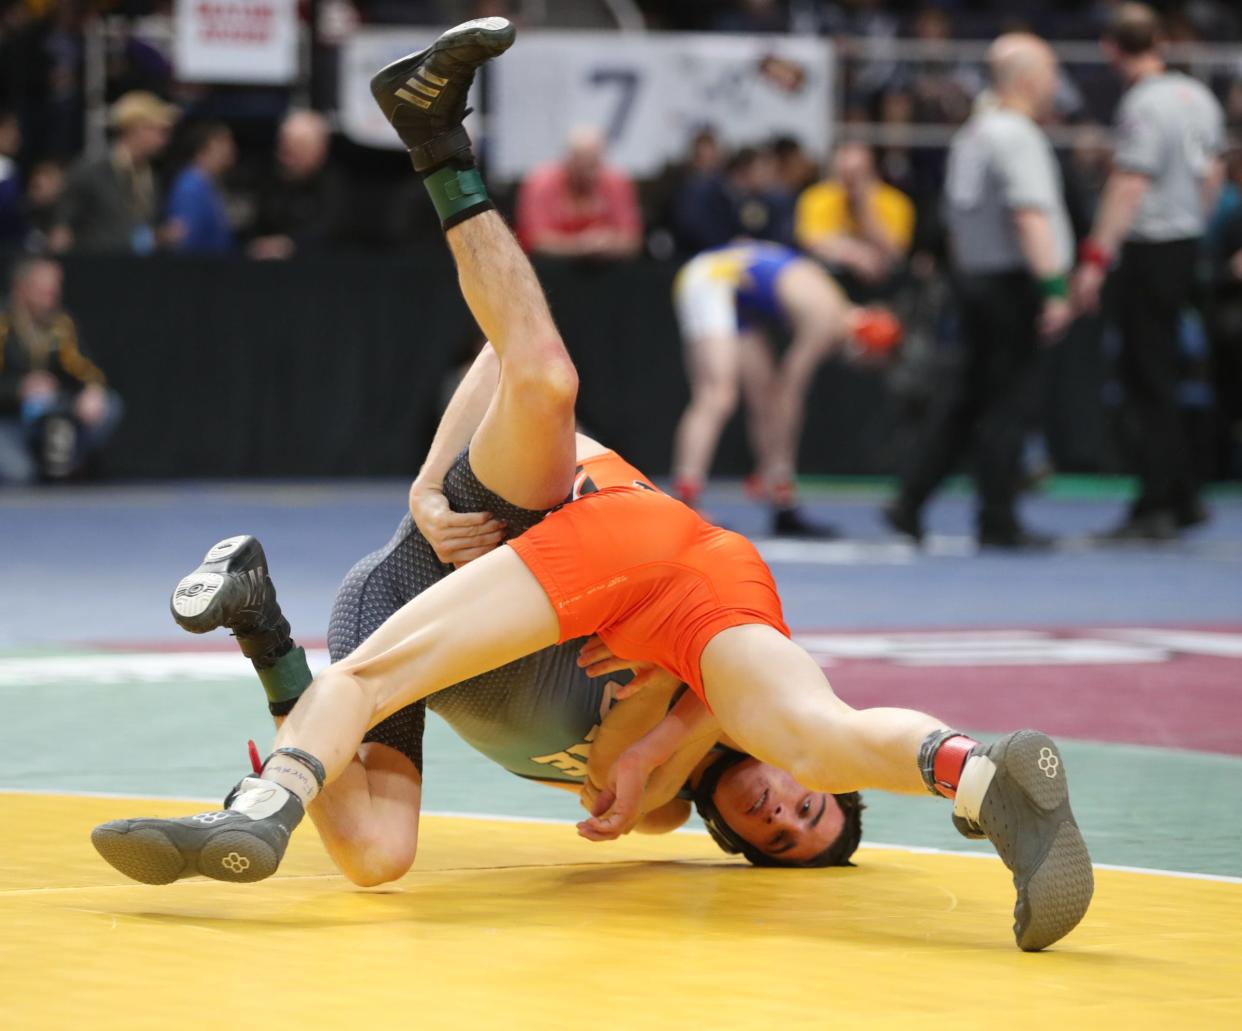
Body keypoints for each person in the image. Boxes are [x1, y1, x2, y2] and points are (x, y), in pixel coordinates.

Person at [91, 19, 1093, 953]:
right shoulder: (667, 758)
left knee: (815, 737)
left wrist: (650, 754)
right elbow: (516, 374)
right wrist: (428, 486)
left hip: (680, 590)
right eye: (807, 807)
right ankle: (439, 144)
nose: (782, 809)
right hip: (586, 545)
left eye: (780, 832)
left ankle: (980, 769)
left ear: (733, 845)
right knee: (535, 396)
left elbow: (725, 742)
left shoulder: (659, 799)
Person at [883, 34, 1073, 551]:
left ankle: (911, 499)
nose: (1056, 86)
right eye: (1052, 75)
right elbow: (1030, 214)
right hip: (1010, 283)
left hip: (975, 279)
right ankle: (998, 519)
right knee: (1007, 404)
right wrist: (1055, 288)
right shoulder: (1015, 135)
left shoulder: (974, 133)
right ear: (1030, 80)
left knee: (966, 399)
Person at [1070, 3, 1226, 540]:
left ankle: (1156, 506)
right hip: (1183, 243)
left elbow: (1129, 184)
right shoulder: (1198, 95)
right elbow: (1216, 173)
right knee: (1163, 373)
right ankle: (1182, 497)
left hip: (1148, 247)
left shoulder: (1142, 102)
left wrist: (1096, 258)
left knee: (1145, 379)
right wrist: (1193, 224)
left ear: (1112, 48)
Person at [671, 240, 901, 538]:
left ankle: (781, 501)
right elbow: (791, 389)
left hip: (735, 291)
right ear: (863, 350)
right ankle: (686, 499)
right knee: (718, 396)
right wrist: (776, 463)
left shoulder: (834, 306)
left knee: (765, 398)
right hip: (712, 280)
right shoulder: (827, 321)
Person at [0, 256, 122, 484]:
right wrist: (19, 388)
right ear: (21, 289)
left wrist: (92, 389)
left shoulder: (60, 324)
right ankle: (38, 466)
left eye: (55, 290)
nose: (52, 297)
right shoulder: (3, 323)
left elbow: (86, 369)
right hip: (9, 421)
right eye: (44, 291)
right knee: (19, 474)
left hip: (51, 418)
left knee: (109, 404)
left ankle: (66, 463)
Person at [49, 91, 176, 254]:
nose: (164, 139)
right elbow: (61, 228)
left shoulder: (150, 175)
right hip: (96, 268)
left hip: (137, 271)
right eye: (159, 130)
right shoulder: (91, 170)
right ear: (136, 129)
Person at [795, 141, 914, 296]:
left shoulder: (896, 202)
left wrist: (864, 207)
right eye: (843, 174)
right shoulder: (816, 198)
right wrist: (857, 255)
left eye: (856, 174)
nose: (848, 182)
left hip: (881, 287)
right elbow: (811, 241)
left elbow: (895, 252)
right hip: (832, 284)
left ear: (873, 172)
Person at [515, 126, 642, 259]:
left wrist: (606, 243)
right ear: (569, 160)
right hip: (548, 270)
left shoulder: (616, 182)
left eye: (594, 165)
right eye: (583, 165)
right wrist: (581, 246)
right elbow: (535, 240)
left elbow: (632, 241)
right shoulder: (541, 183)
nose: (590, 174)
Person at [247, 111, 349, 260]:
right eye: (283, 145)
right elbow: (255, 227)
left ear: (319, 150)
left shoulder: (337, 185)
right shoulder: (268, 177)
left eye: (298, 147)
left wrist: (290, 245)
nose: (285, 155)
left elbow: (333, 231)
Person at [165, 122, 235, 254]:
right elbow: (184, 240)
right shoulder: (190, 186)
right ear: (205, 148)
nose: (231, 150)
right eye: (224, 144)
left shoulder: (210, 183)